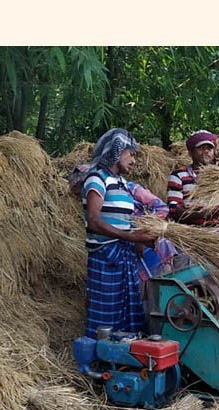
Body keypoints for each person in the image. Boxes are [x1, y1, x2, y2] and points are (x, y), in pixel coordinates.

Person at [81, 128, 158, 338]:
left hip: (124, 254)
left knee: (127, 308)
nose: (134, 160)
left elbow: (124, 221)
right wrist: (133, 238)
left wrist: (139, 240)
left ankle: (122, 355)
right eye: (131, 154)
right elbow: (94, 222)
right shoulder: (97, 178)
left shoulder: (123, 184)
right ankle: (98, 358)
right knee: (106, 310)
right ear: (117, 151)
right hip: (105, 256)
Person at [167, 129, 217, 223]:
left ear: (214, 153)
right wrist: (204, 213)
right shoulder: (178, 176)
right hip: (191, 230)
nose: (206, 151)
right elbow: (173, 209)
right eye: (201, 148)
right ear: (191, 153)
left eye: (209, 148)